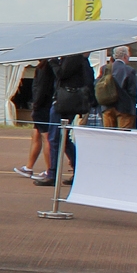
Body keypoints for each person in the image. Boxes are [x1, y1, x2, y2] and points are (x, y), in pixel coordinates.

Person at [36, 52, 94, 185]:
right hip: (67, 100)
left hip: (65, 102)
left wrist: (53, 61)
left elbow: (62, 74)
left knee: (55, 138)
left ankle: (53, 173)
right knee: (63, 139)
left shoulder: (73, 57)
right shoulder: (77, 59)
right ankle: (75, 170)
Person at [16, 58, 55, 178]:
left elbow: (42, 89)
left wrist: (36, 105)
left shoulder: (46, 68)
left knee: (46, 137)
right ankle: (29, 167)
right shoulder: (44, 67)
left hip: (43, 107)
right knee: (36, 135)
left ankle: (50, 170)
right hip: (43, 106)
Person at [108, 46, 137, 130]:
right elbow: (133, 91)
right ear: (125, 56)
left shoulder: (105, 68)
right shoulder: (129, 70)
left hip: (107, 106)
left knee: (108, 135)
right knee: (123, 135)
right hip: (124, 107)